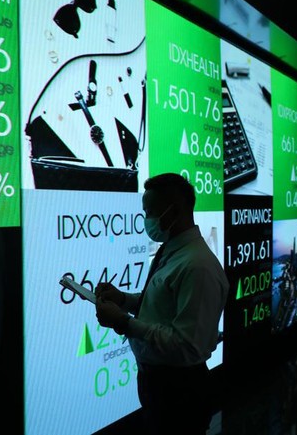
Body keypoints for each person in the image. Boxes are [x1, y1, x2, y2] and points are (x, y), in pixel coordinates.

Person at [95, 173, 229, 434]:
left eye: (150, 212)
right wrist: (123, 299)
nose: (146, 220)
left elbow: (187, 346)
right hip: (159, 386)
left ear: (174, 211)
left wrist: (124, 323)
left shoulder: (197, 267)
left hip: (179, 393)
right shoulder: (172, 251)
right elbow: (160, 306)